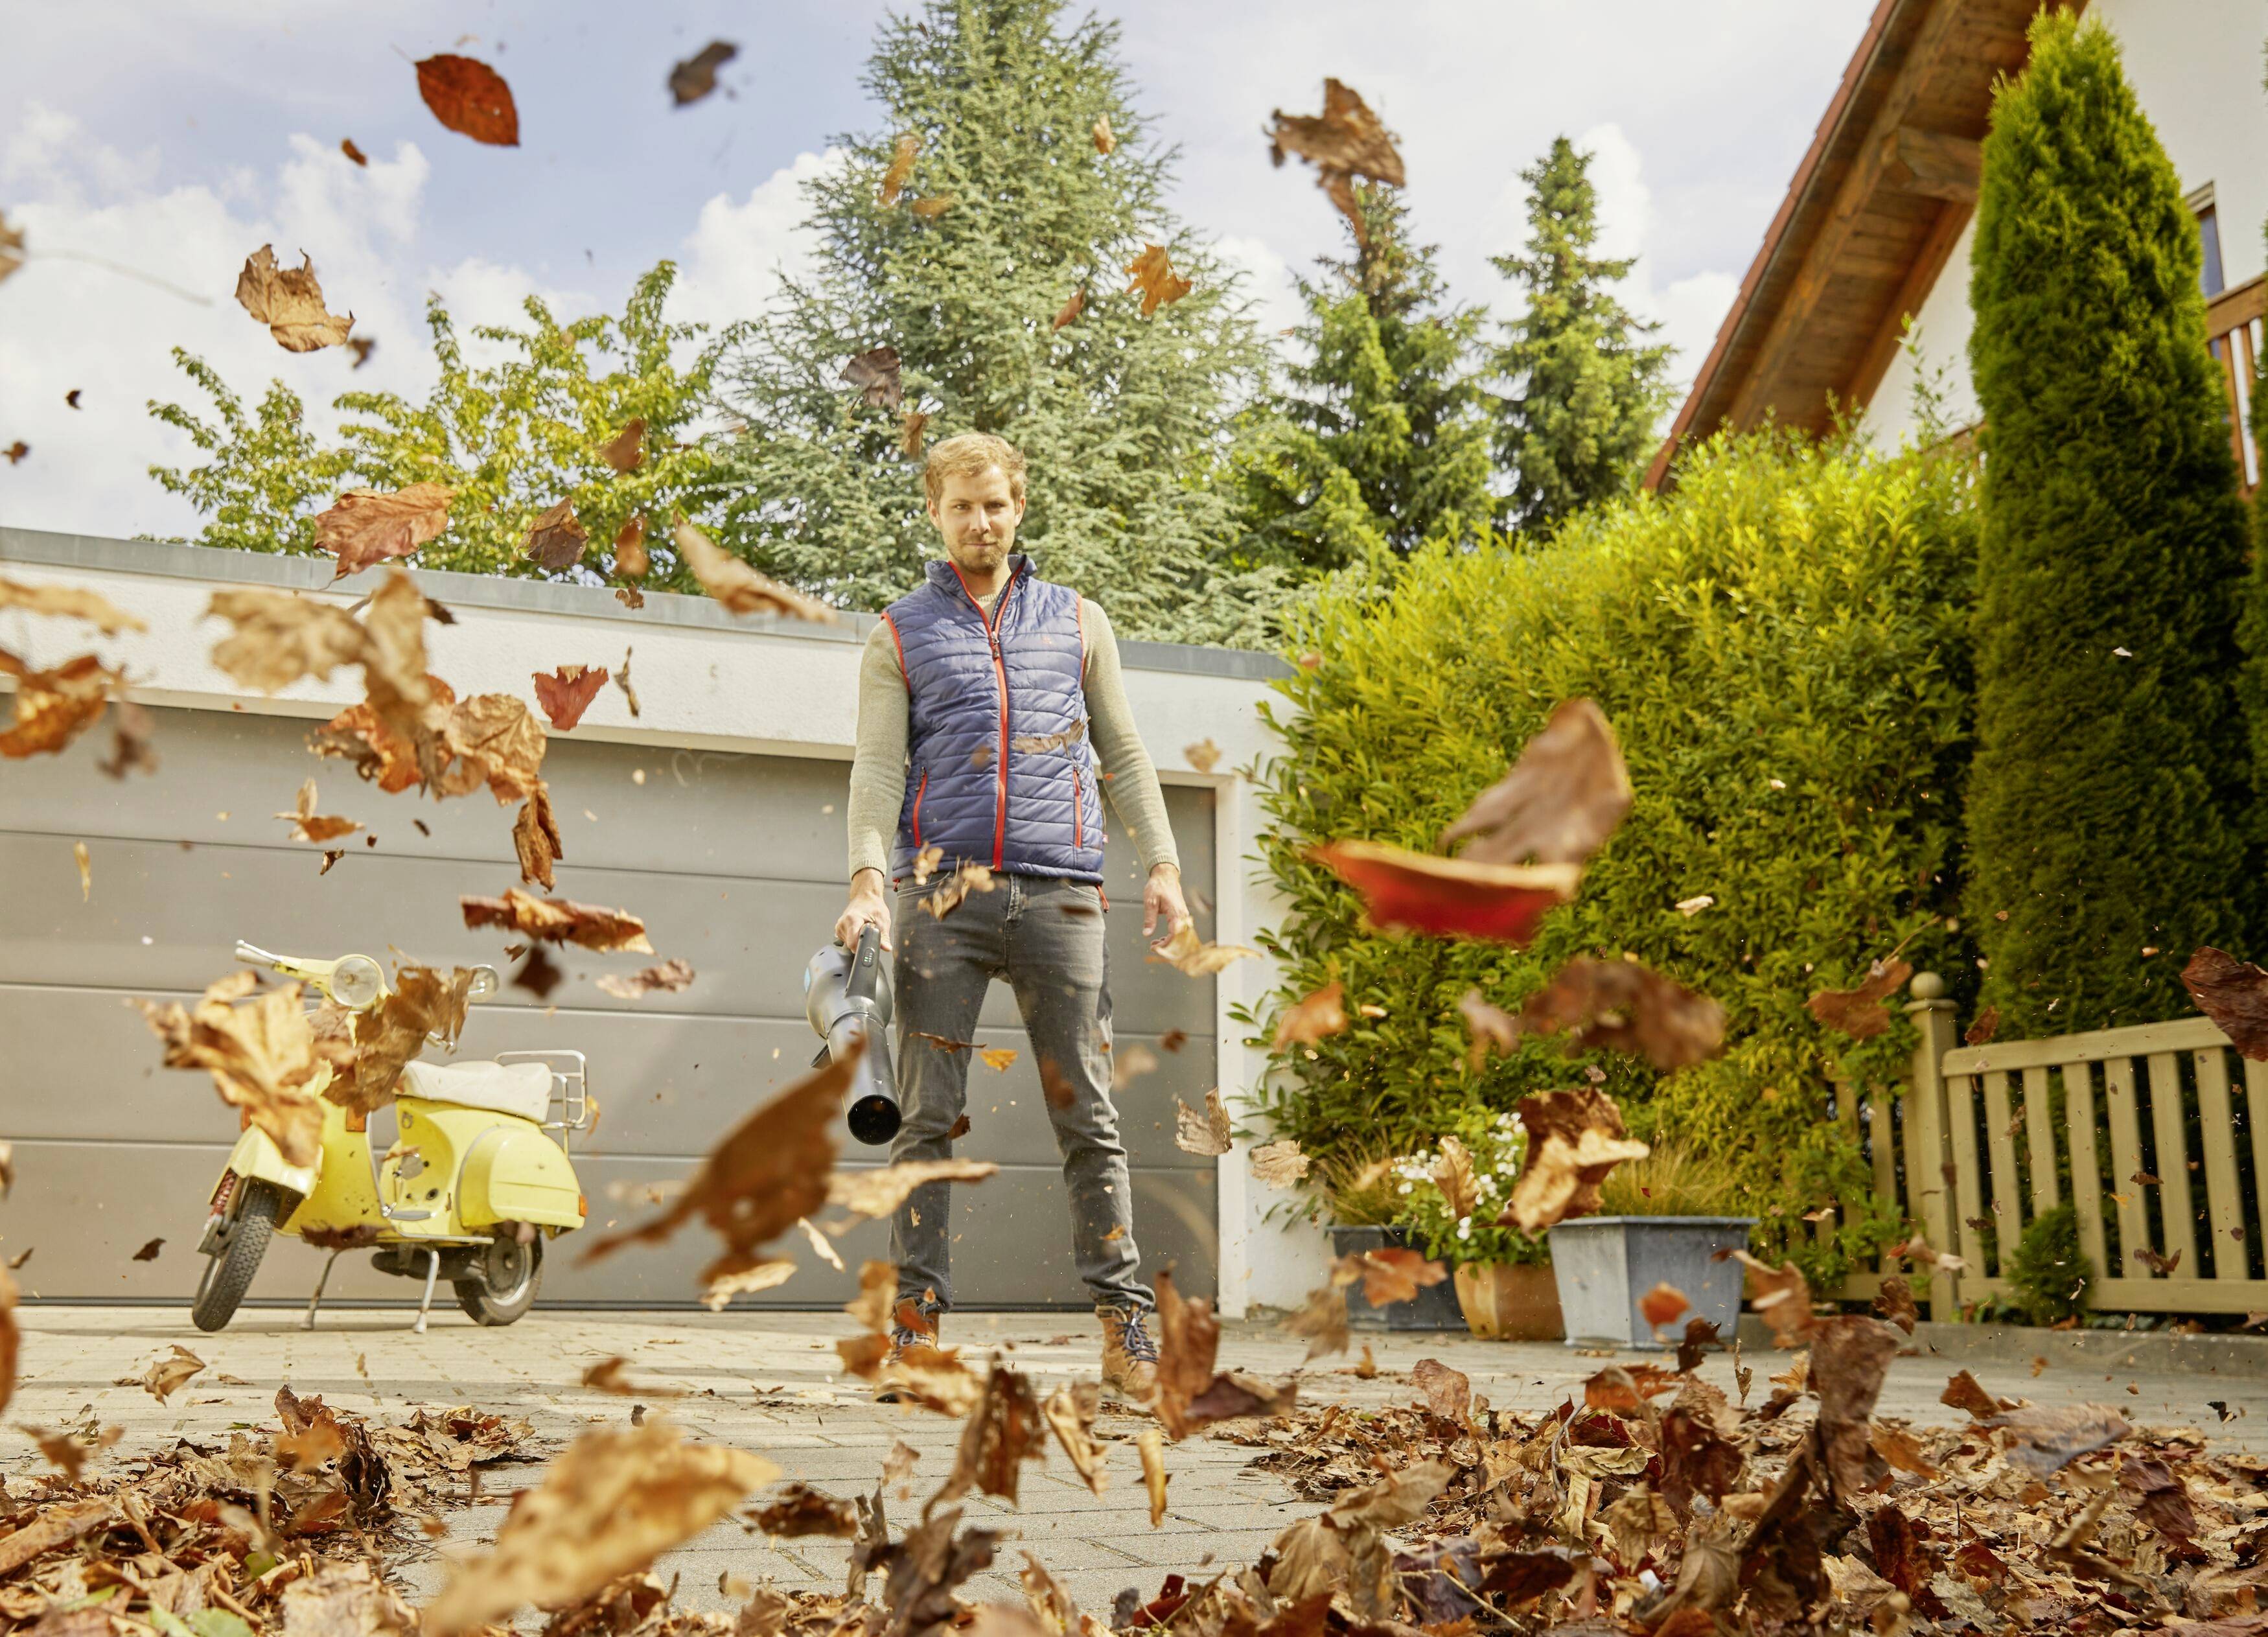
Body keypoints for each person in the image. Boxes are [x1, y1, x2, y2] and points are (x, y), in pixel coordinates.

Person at [834, 430, 1189, 1402]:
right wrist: (869, 877)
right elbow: (877, 768)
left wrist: (1159, 860)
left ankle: (1125, 1331)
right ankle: (915, 1335)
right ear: (935, 514)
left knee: (1091, 1117)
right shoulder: (899, 632)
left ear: (1019, 505)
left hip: (1063, 894)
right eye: (962, 506)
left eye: (995, 503)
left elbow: (1122, 750)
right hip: (941, 897)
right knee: (925, 1121)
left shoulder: (1078, 622)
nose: (980, 520)